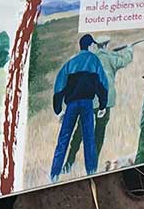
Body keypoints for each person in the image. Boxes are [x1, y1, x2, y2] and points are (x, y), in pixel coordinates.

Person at [61, 39, 133, 174]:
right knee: (99, 133)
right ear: (106, 45)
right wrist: (129, 49)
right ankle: (92, 167)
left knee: (79, 133)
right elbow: (125, 60)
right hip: (104, 102)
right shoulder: (111, 58)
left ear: (96, 45)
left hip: (88, 99)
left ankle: (68, 163)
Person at [50, 34, 110, 179]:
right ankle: (91, 173)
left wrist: (58, 110)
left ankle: (54, 175)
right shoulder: (94, 60)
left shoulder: (71, 63)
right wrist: (102, 105)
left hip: (70, 105)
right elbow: (103, 84)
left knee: (63, 138)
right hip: (87, 104)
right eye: (93, 45)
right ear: (90, 46)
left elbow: (59, 87)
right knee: (89, 138)